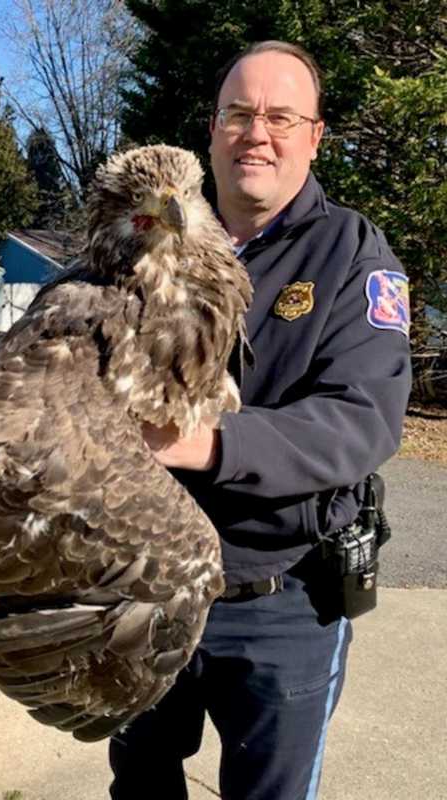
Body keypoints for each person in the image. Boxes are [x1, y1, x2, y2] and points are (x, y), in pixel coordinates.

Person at [109, 41, 411, 800]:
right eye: (239, 114)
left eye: (282, 116)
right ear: (211, 131)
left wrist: (201, 443)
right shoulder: (143, 237)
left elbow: (362, 419)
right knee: (140, 783)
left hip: (282, 601)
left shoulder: (352, 253)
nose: (257, 132)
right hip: (140, 586)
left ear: (314, 136)